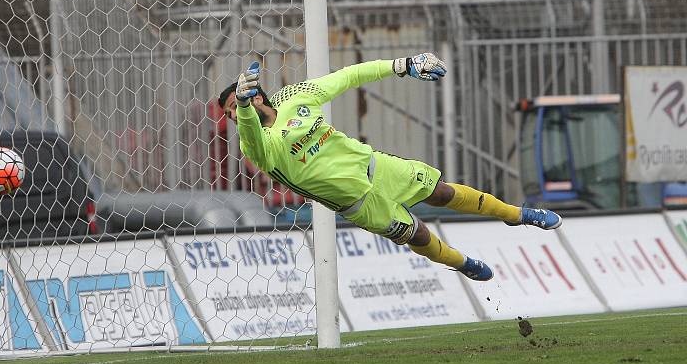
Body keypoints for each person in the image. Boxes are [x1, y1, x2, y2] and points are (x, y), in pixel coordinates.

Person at [217, 54, 562, 281]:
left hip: (376, 166)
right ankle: (460, 263)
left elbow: (348, 76)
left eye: (234, 105)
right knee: (420, 234)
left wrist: (402, 64)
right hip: (359, 203)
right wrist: (245, 109)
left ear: (259, 95)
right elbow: (251, 134)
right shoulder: (256, 144)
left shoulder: (296, 97)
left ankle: (517, 214)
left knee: (441, 191)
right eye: (230, 112)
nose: (233, 115)